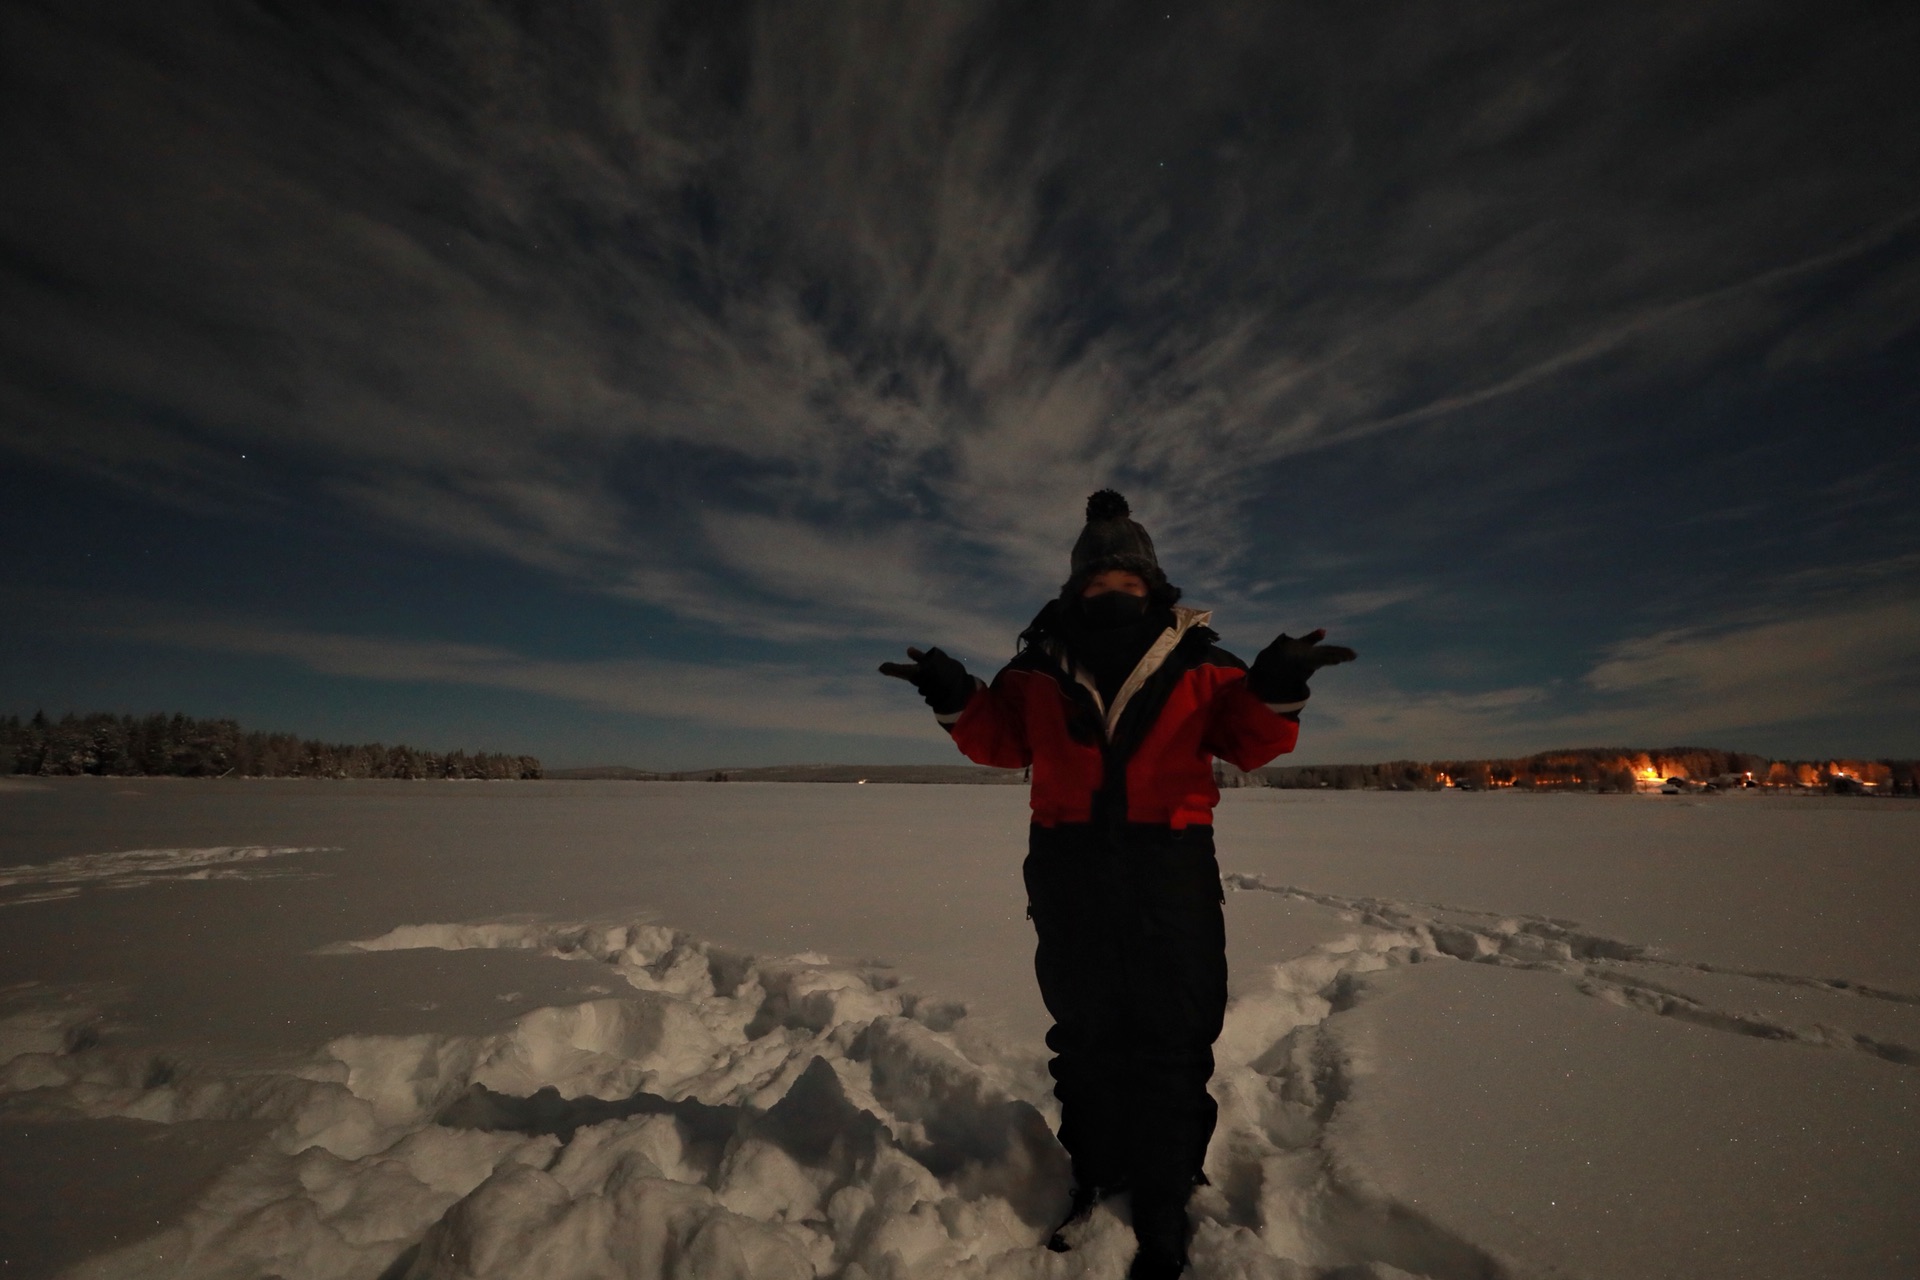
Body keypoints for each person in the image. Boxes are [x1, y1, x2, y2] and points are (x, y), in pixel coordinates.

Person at [880, 490, 1356, 1279]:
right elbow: (999, 744)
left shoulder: (1202, 661)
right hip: (1067, 864)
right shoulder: (1035, 667)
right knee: (1088, 1032)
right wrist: (956, 695)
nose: (1112, 589)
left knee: (1176, 1029)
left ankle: (1166, 1187)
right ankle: (1098, 1173)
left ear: (1152, 582)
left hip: (1168, 862)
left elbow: (1248, 740)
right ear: (1075, 585)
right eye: (1097, 578)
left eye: (1127, 577)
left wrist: (1276, 683)